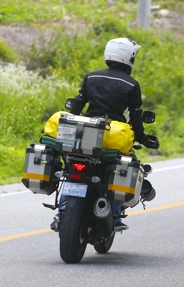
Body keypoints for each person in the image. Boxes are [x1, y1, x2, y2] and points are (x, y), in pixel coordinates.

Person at [63, 37, 149, 232]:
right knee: (122, 169)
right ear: (129, 58)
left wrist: (71, 122)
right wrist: (142, 137)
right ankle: (116, 214)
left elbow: (78, 103)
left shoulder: (91, 76)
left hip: (86, 132)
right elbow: (136, 118)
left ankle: (61, 210)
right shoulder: (131, 85)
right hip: (113, 136)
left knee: (70, 165)